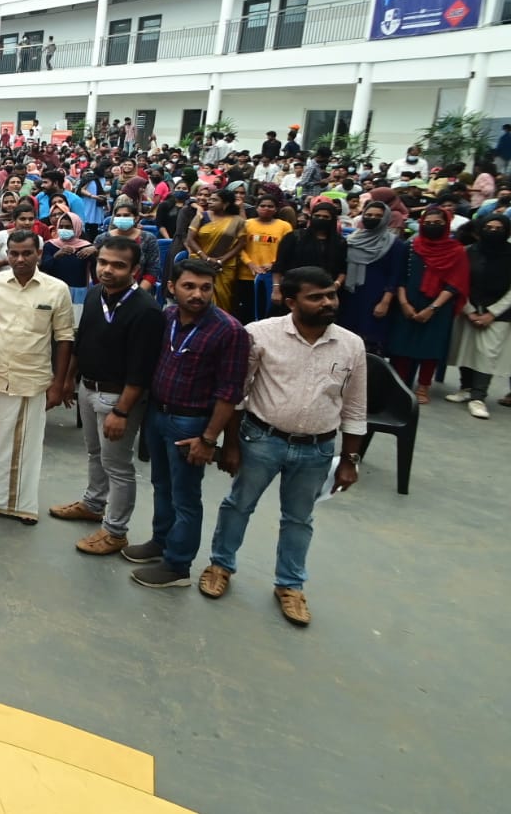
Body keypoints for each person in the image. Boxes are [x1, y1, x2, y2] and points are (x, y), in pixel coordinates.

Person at [204, 267, 366, 626]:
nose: (327, 303)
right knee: (238, 504)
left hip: (317, 449)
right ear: (291, 301)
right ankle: (220, 565)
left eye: (331, 295)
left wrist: (349, 460)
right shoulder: (259, 335)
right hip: (262, 439)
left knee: (299, 519)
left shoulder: (351, 344)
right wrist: (230, 444)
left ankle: (290, 585)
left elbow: (355, 406)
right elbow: (237, 394)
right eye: (316, 297)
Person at [125, 258, 250, 589]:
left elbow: (229, 393)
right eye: (189, 286)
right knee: (162, 485)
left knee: (185, 496)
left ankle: (178, 565)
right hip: (158, 413)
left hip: (191, 423)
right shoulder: (166, 317)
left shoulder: (229, 331)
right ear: (172, 288)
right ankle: (160, 541)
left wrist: (209, 439)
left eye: (205, 288)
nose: (198, 294)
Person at [50, 235, 164, 553]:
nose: (108, 270)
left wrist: (123, 412)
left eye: (118, 265)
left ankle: (115, 531)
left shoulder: (146, 310)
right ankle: (93, 503)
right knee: (95, 454)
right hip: (88, 388)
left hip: (117, 399)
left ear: (135, 269)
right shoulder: (94, 295)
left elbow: (141, 370)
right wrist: (70, 381)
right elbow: (81, 339)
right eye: (103, 262)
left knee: (118, 465)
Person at [0, 228, 75, 524]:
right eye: (13, 253)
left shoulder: (56, 289)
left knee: (27, 444)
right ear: (7, 255)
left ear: (39, 254)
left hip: (34, 377)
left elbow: (64, 338)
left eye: (27, 253)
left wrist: (60, 383)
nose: (20, 259)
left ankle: (21, 504)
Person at [388, 205, 469, 403]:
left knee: (430, 347)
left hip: (438, 307)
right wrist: (404, 303)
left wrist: (432, 308)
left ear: (447, 225)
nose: (433, 226)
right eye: (429, 223)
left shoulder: (456, 251)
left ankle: (424, 386)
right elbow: (399, 277)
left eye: (438, 224)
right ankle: (399, 384)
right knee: (402, 345)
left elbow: (455, 283)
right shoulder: (411, 246)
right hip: (408, 302)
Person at [445, 214, 511, 417]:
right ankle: (465, 388)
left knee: (486, 355)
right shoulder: (467, 252)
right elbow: (458, 282)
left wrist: (492, 313)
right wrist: (470, 310)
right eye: (488, 227)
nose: (492, 231)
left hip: (498, 314)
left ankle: (478, 397)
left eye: (498, 228)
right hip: (468, 309)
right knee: (467, 350)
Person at [339, 198, 408, 353]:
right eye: (368, 214)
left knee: (371, 343)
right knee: (347, 341)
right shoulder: (352, 239)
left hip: (376, 298)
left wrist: (385, 301)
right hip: (350, 296)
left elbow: (395, 275)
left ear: (385, 219)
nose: (372, 218)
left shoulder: (394, 244)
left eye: (378, 216)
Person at [184, 187, 247, 317]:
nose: (209, 201)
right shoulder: (202, 216)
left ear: (225, 204)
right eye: (210, 199)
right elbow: (190, 239)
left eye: (214, 200)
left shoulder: (237, 221)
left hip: (224, 266)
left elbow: (241, 243)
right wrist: (205, 258)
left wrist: (221, 260)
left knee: (223, 299)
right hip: (199, 263)